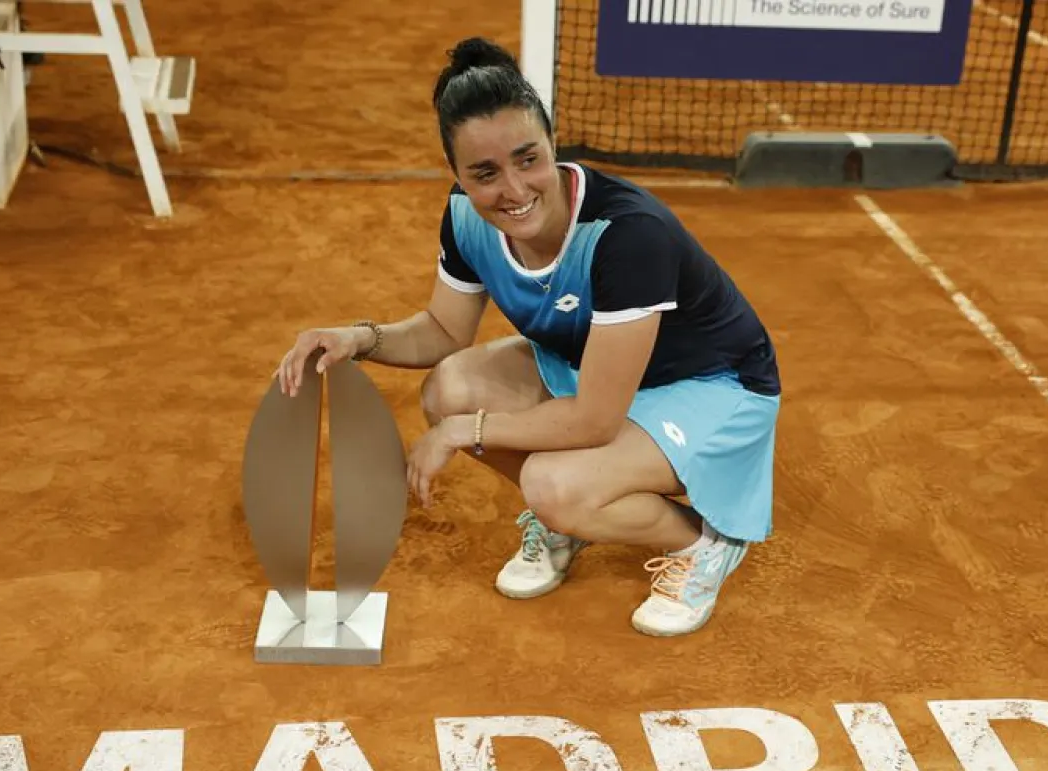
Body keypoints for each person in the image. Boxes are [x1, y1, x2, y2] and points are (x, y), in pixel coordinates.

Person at [276, 37, 780, 637]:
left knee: (547, 481)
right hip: (602, 370)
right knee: (450, 389)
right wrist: (359, 338)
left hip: (713, 388)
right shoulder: (466, 216)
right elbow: (443, 331)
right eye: (485, 173)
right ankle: (567, 518)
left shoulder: (626, 235)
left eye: (528, 159)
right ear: (457, 174)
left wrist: (465, 433)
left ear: (551, 144)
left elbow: (593, 421)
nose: (513, 191)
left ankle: (702, 542)